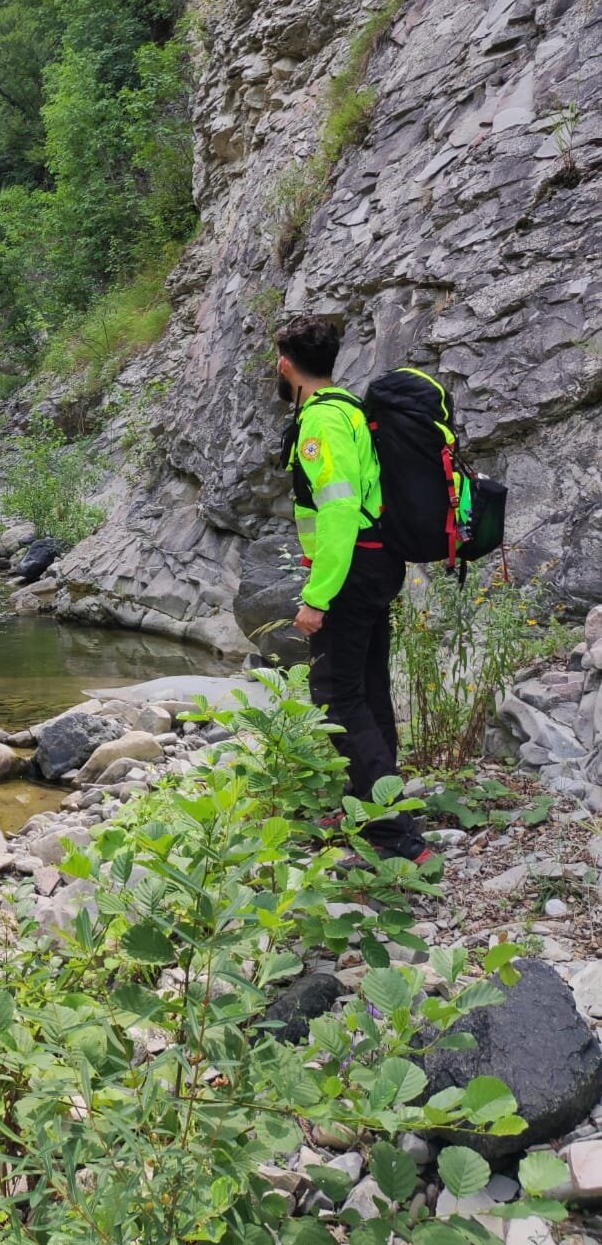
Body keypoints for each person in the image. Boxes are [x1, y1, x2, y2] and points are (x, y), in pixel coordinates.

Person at [275, 314, 431, 865]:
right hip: (376, 562)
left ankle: (394, 836)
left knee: (338, 698)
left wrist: (317, 597)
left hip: (352, 571)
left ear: (286, 365)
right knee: (366, 685)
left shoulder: (321, 424)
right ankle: (365, 802)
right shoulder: (348, 408)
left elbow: (338, 511)